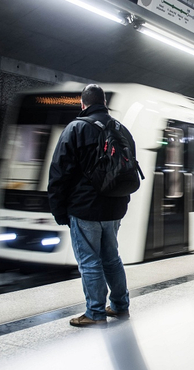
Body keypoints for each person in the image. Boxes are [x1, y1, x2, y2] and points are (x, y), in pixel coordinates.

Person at [48, 84, 131, 327]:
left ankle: (95, 313)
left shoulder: (76, 128)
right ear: (104, 103)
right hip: (114, 208)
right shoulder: (121, 129)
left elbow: (59, 173)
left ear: (82, 104)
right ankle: (119, 306)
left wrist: (58, 209)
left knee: (89, 261)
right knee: (112, 258)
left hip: (85, 208)